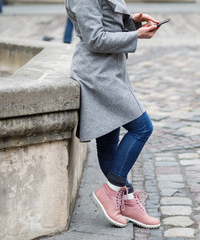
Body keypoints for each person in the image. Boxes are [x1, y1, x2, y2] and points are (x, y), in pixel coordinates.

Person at [65, 0, 161, 229]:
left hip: (112, 68)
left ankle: (126, 200)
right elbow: (95, 38)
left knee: (109, 139)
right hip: (97, 74)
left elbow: (106, 23)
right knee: (142, 127)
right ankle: (111, 191)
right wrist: (136, 35)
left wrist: (131, 22)